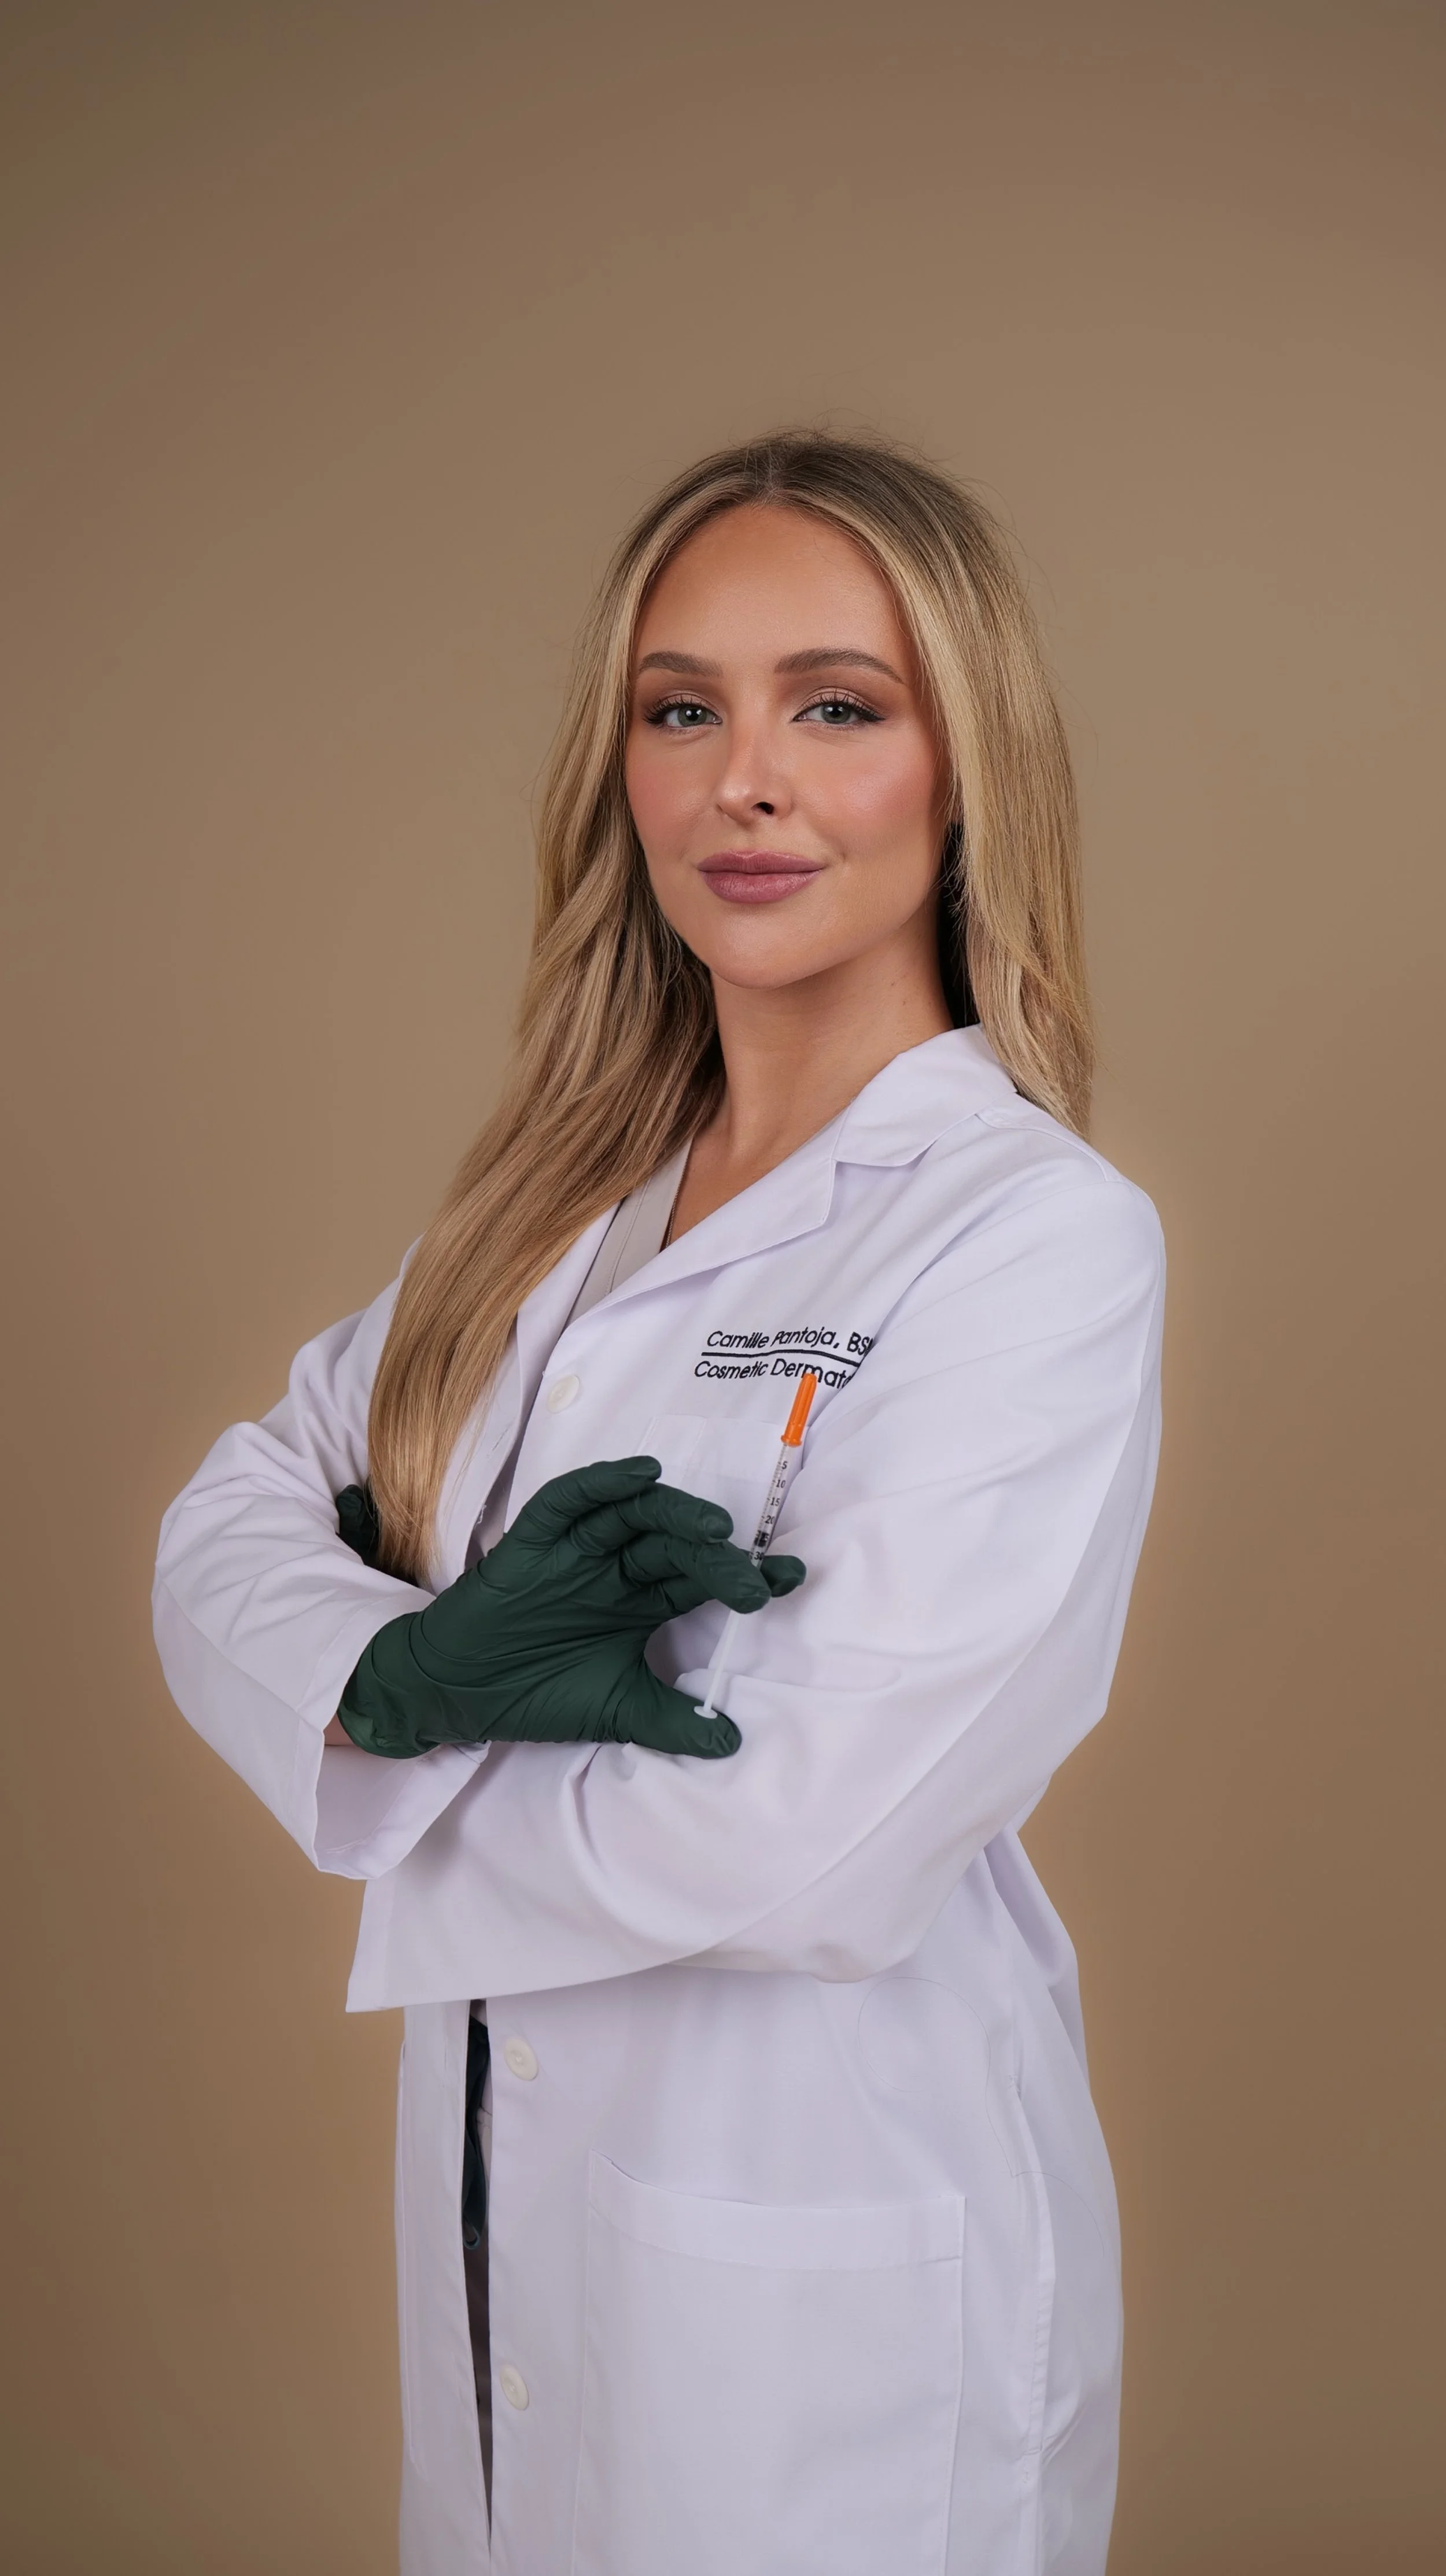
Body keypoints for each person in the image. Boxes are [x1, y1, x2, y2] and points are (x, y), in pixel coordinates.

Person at [154, 430, 1164, 2576]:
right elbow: (225, 1519)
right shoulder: (549, 1225)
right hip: (516, 2203)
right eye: (680, 707)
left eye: (836, 705)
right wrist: (406, 1669)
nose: (743, 780)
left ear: (963, 766)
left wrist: (400, 1762)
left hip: (826, 2218)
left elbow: (817, 1841)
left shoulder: (1026, 1237)